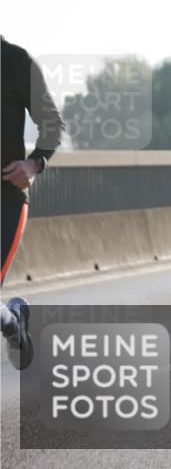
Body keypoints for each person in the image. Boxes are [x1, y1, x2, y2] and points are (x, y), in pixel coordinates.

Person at [1, 37, 64, 371]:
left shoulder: (16, 61)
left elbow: (52, 122)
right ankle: (13, 322)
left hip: (6, 201)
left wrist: (33, 164)